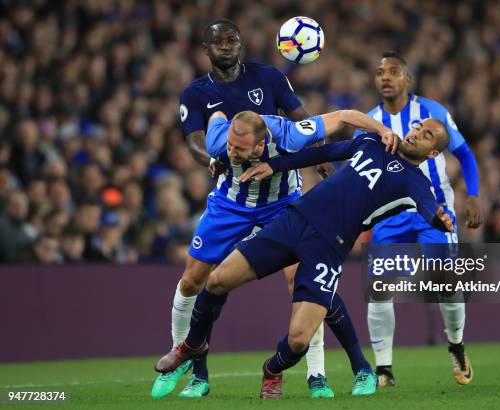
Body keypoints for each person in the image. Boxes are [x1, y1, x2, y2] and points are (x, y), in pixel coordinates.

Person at [154, 118, 454, 400]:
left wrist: (438, 219)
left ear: (433, 152)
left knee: (298, 340)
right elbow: (321, 153)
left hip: (329, 246)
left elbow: (429, 208)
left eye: (427, 134)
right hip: (296, 220)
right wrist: (275, 166)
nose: (416, 132)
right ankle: (191, 346)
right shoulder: (372, 142)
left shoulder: (416, 183)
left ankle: (272, 369)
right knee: (218, 280)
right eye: (417, 126)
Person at [155, 17, 316, 398]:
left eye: (232, 39)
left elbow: (302, 120)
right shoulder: (195, 94)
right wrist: (208, 160)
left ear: (240, 45)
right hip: (231, 202)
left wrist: (318, 154)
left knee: (300, 279)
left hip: (279, 199)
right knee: (193, 280)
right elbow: (194, 141)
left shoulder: (270, 78)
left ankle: (316, 375)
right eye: (217, 41)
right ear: (205, 49)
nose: (225, 45)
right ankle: (192, 371)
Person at [359, 51, 483, 387]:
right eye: (380, 71)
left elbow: (465, 154)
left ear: (407, 79)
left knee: (446, 284)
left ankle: (456, 345)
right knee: (380, 289)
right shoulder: (370, 120)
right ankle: (383, 369)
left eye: (393, 71)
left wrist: (472, 194)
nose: (385, 77)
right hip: (390, 215)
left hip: (435, 212)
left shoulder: (432, 112)